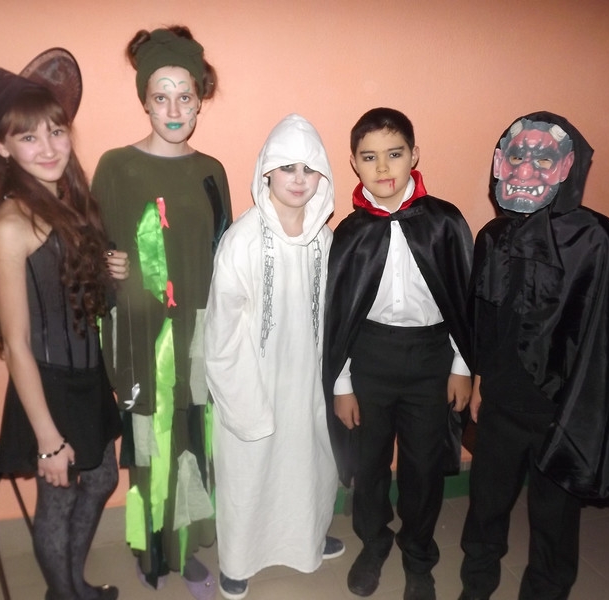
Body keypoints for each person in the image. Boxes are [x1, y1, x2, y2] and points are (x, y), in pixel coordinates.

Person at [0, 35, 127, 600]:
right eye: (28, 136)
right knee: (59, 496)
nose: (48, 146)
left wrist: (114, 270)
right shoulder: (11, 225)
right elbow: (15, 342)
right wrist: (47, 439)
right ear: (2, 146)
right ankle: (65, 594)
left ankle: (72, 586)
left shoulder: (71, 204)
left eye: (56, 131)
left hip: (87, 378)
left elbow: (78, 294)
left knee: (101, 479)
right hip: (49, 387)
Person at [458, 112, 609, 600]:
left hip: (559, 413)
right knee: (486, 506)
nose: (526, 169)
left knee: (554, 520)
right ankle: (476, 585)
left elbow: (603, 341)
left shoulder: (596, 240)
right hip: (500, 404)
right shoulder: (493, 237)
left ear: (566, 167)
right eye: (517, 156)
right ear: (500, 162)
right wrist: (480, 381)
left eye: (542, 159)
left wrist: (580, 419)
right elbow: (485, 319)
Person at [91, 26, 231, 600]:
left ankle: (188, 546)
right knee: (151, 442)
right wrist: (104, 264)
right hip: (141, 337)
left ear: (199, 100)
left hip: (199, 334)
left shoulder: (212, 171)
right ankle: (151, 547)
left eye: (184, 96)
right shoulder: (116, 166)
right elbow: (86, 251)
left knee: (193, 442)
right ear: (144, 101)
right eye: (161, 96)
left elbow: (225, 254)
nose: (174, 110)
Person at [322, 107, 474, 600]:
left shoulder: (445, 222)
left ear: (414, 155)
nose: (383, 168)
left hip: (432, 361)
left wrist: (462, 365)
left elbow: (463, 300)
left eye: (394, 154)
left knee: (422, 468)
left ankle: (418, 555)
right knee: (368, 465)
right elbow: (338, 316)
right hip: (369, 359)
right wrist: (342, 383)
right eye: (369, 157)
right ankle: (374, 542)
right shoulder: (349, 233)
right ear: (354, 163)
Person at [204, 114, 343, 600]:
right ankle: (238, 561)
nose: (299, 179)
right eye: (287, 168)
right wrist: (241, 398)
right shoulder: (242, 240)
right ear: (267, 171)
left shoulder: (324, 240)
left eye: (309, 169)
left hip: (308, 382)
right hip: (255, 380)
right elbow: (221, 331)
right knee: (251, 472)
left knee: (310, 463)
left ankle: (307, 538)